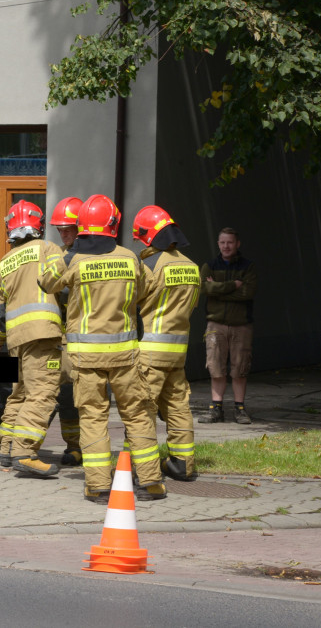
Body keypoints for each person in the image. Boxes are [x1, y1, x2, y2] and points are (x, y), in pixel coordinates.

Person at [39, 194, 166, 503]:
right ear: (113, 225)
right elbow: (148, 288)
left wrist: (67, 254)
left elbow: (45, 282)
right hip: (125, 356)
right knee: (137, 415)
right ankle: (150, 483)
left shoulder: (72, 260)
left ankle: (98, 486)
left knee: (93, 418)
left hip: (86, 358)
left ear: (82, 225)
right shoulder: (130, 257)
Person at [0, 200, 65, 477]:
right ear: (38, 226)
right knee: (42, 393)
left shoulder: (3, 264)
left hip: (16, 341)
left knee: (19, 394)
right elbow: (62, 284)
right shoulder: (48, 249)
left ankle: (8, 448)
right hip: (43, 335)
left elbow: (0, 312)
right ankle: (25, 452)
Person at [132, 205, 201, 481]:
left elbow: (132, 302)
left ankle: (141, 469)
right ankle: (183, 465)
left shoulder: (149, 266)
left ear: (149, 236)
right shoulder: (192, 267)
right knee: (178, 407)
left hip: (149, 352)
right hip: (178, 352)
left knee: (142, 410)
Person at [198, 228, 257, 424]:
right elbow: (204, 288)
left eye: (230, 242)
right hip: (216, 324)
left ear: (237, 244)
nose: (226, 246)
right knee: (215, 368)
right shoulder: (209, 266)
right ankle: (216, 409)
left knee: (240, 368)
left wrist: (217, 289)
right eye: (222, 242)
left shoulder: (248, 267)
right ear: (218, 244)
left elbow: (247, 293)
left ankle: (240, 409)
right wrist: (233, 285)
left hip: (242, 325)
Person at [48, 196, 84, 466]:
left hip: (88, 338)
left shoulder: (92, 256)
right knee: (62, 394)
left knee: (81, 399)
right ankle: (72, 446)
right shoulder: (59, 256)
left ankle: (79, 447)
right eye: (60, 230)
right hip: (61, 338)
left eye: (68, 229)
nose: (63, 234)